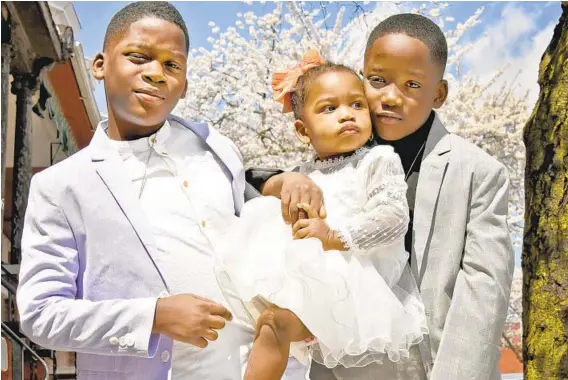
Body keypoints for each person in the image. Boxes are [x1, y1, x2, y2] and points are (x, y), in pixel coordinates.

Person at [16, 2, 309, 379]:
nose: (155, 74)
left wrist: (283, 181)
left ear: (184, 85)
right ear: (100, 65)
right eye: (138, 57)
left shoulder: (214, 146)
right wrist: (152, 316)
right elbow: (41, 314)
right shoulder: (61, 186)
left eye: (172, 65)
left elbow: (254, 227)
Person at [253, 14, 515, 380]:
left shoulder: (476, 171)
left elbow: (483, 288)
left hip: (432, 363)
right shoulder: (339, 143)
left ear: (438, 93)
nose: (390, 96)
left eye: (412, 84)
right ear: (362, 77)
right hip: (344, 362)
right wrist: (283, 181)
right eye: (377, 80)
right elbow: (253, 183)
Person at [216, 51, 428, 380]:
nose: (347, 115)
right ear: (303, 130)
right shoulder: (303, 175)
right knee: (271, 324)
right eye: (330, 108)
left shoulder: (377, 160)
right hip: (311, 287)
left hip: (361, 286)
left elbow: (392, 219)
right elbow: (252, 187)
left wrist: (334, 236)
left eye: (357, 105)